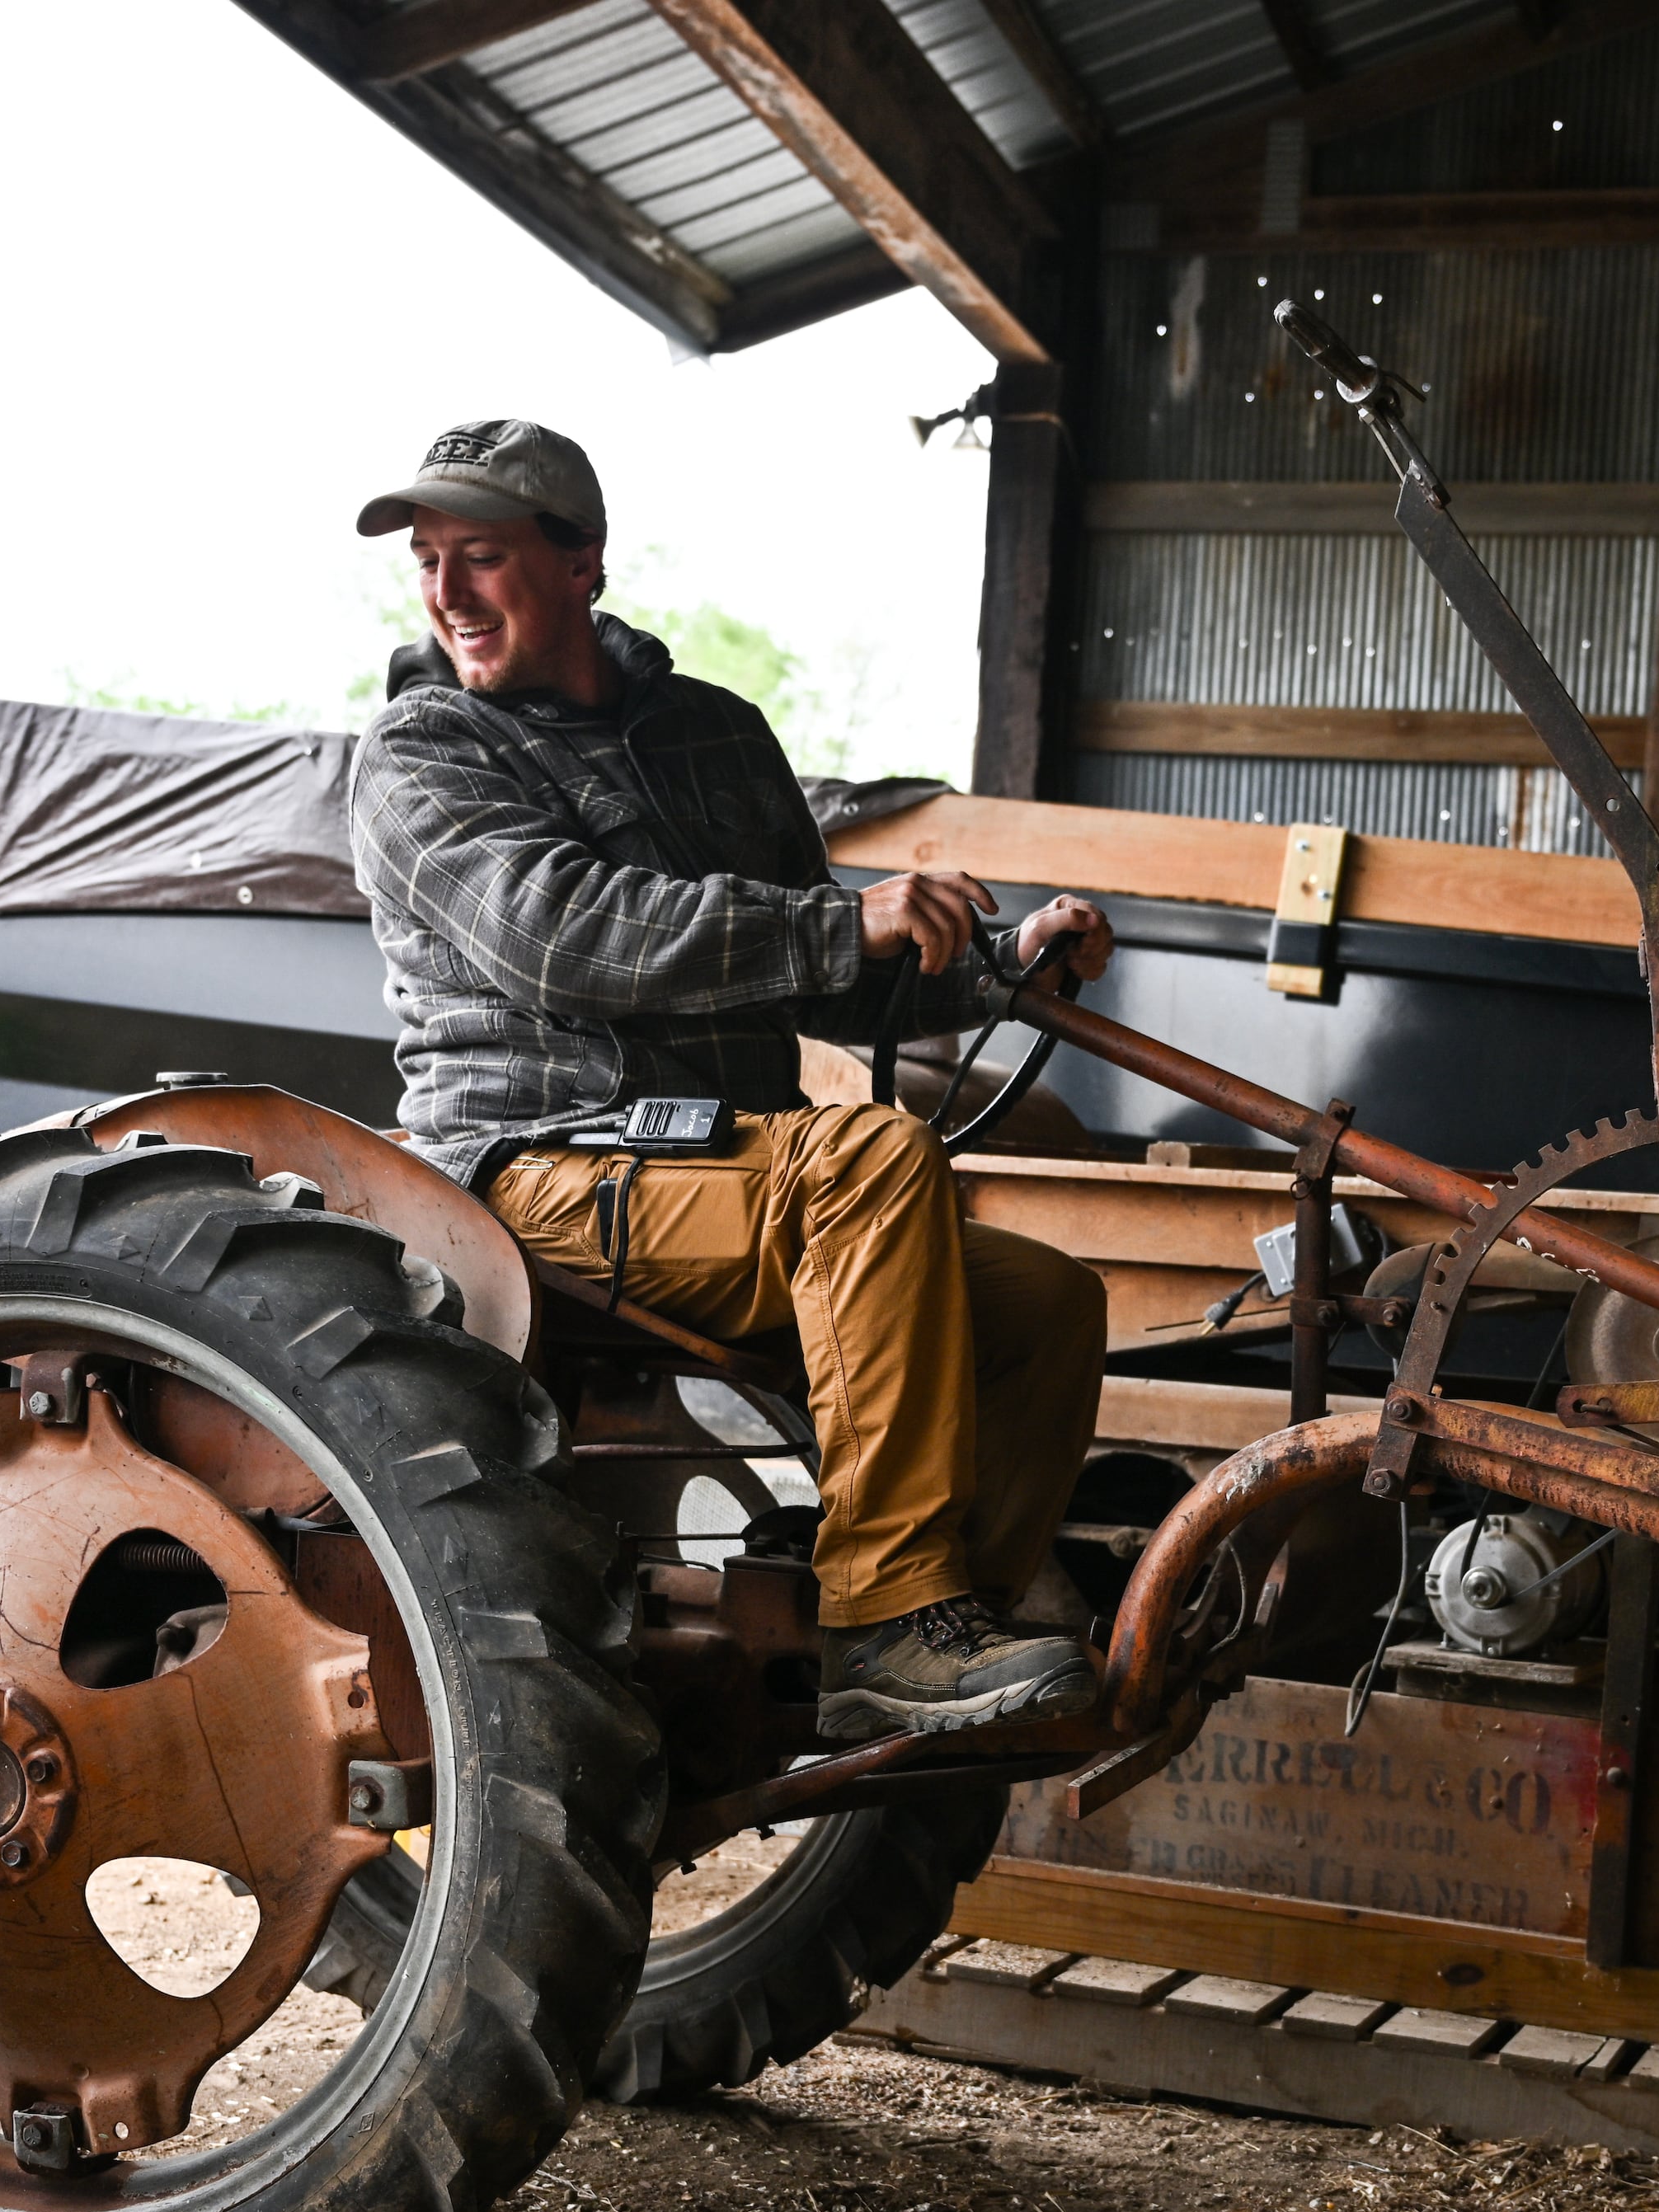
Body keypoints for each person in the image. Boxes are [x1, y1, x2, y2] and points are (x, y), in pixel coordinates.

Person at [345, 419, 1119, 1742]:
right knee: (870, 1164)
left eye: (480, 557)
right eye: (429, 562)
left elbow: (831, 966)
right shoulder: (423, 754)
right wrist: (843, 923)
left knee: (1045, 1300)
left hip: (721, 1168)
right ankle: (886, 1617)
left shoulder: (715, 734)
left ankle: (954, 1630)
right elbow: (562, 933)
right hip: (530, 1174)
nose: (446, 594)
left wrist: (996, 962)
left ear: (583, 559)